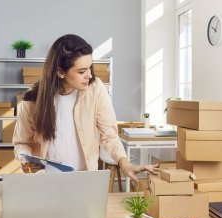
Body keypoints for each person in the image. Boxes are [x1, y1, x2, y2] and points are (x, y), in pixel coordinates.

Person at [13, 34, 158, 182]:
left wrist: (125, 165)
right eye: (81, 71)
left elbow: (109, 135)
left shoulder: (96, 89)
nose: (89, 75)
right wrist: (26, 160)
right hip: (46, 180)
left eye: (90, 68)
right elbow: (22, 143)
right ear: (60, 72)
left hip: (84, 178)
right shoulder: (32, 99)